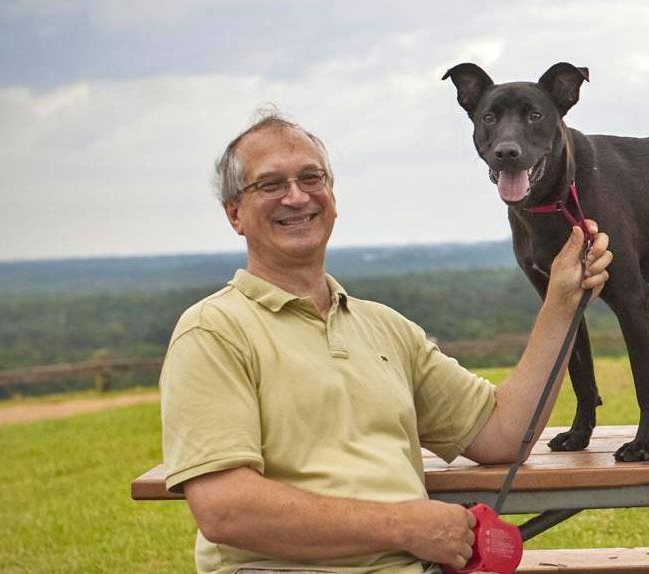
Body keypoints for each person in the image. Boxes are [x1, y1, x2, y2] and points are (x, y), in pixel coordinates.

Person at [159, 112, 612, 574]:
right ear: (235, 213)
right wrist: (405, 527)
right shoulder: (213, 331)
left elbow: (502, 433)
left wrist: (561, 300)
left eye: (311, 177)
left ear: (331, 195)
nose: (296, 197)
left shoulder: (384, 329)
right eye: (270, 184)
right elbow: (225, 508)